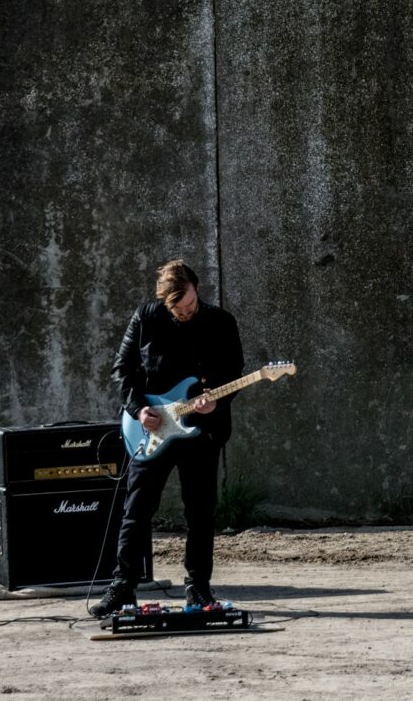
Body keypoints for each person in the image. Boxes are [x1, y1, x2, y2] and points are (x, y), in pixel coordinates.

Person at [90, 260, 244, 617]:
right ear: (165, 301)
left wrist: (217, 401)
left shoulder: (221, 322)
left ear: (196, 289)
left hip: (200, 431)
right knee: (136, 511)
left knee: (200, 512)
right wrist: (138, 409)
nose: (185, 311)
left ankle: (198, 587)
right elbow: (122, 369)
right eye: (178, 308)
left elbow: (234, 371)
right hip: (152, 428)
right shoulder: (146, 317)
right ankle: (123, 585)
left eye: (190, 303)